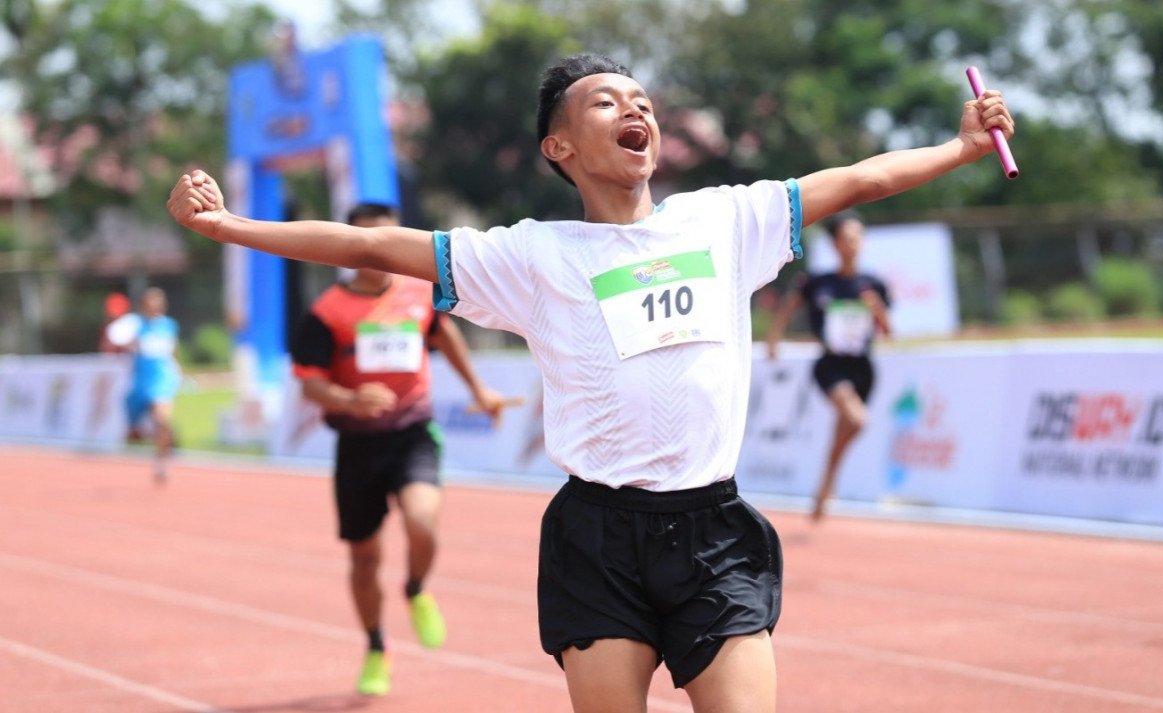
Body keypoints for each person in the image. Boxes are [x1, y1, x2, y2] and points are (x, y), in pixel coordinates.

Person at [168, 53, 1014, 713]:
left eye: (642, 99)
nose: (635, 108)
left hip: (714, 530)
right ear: (560, 147)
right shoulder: (531, 255)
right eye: (607, 101)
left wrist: (962, 147)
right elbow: (369, 249)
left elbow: (863, 179)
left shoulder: (724, 221)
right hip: (597, 539)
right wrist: (227, 225)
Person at [289, 202, 512, 696]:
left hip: (413, 434)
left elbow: (444, 333)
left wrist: (479, 389)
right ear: (349, 247)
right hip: (358, 446)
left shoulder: (417, 294)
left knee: (421, 522)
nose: (382, 252)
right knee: (365, 560)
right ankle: (375, 646)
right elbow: (309, 385)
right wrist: (350, 398)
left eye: (390, 240)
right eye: (370, 241)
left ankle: (414, 588)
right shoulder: (326, 314)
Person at [765, 211, 890, 521]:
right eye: (847, 238)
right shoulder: (820, 282)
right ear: (835, 244)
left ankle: (824, 487)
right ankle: (827, 483)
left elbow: (888, 331)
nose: (854, 244)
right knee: (857, 421)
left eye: (858, 237)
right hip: (830, 365)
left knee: (842, 430)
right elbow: (790, 304)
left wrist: (876, 309)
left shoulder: (873, 284)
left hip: (863, 367)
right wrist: (774, 338)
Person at [105, 287, 180, 482]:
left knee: (162, 417)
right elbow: (116, 336)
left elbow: (171, 351)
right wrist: (130, 342)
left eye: (158, 302)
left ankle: (162, 461)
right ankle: (146, 432)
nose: (154, 306)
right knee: (133, 430)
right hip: (140, 380)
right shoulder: (135, 324)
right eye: (150, 302)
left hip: (162, 379)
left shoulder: (169, 325)